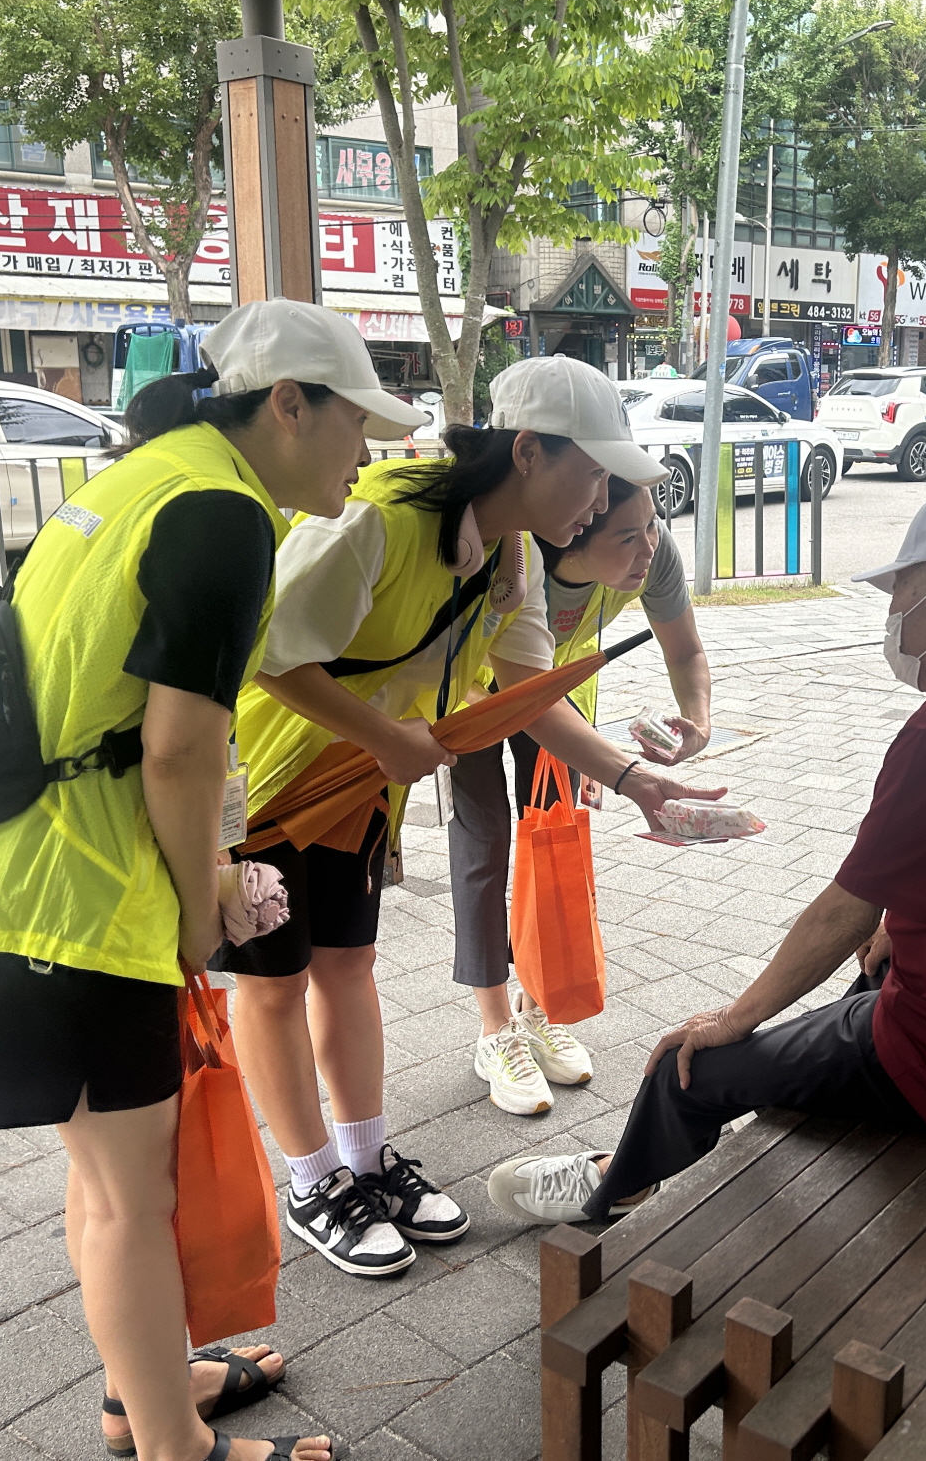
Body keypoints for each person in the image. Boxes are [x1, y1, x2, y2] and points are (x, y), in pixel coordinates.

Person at [0, 298, 382, 1461]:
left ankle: (146, 1389)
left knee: (106, 1174)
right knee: (124, 1194)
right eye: (355, 421)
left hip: (1, 870)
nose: (366, 451)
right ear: (289, 405)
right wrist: (199, 900)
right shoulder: (219, 513)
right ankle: (171, 1444)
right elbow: (176, 746)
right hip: (67, 893)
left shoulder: (155, 472)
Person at [486, 487, 926, 1224]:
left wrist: (734, 1019)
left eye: (901, 594)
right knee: (876, 962)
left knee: (689, 1066)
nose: (893, 615)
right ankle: (795, 1091)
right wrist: (893, 925)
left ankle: (611, 1189)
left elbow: (841, 912)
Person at [221, 354, 723, 1277]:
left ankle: (367, 1160)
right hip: (268, 788)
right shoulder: (378, 520)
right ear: (528, 451)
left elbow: (531, 688)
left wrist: (630, 777)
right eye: (595, 472)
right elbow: (261, 652)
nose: (603, 496)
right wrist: (385, 737)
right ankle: (312, 1180)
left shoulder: (513, 550)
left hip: (360, 793)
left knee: (348, 966)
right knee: (274, 983)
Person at [449, 471, 713, 1114]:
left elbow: (685, 654)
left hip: (559, 697)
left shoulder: (653, 554)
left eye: (651, 526)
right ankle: (495, 1031)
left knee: (555, 843)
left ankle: (538, 1006)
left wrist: (696, 726)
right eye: (627, 536)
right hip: (474, 696)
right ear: (573, 529)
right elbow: (473, 665)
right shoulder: (517, 557)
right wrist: (623, 768)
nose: (650, 547)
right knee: (484, 844)